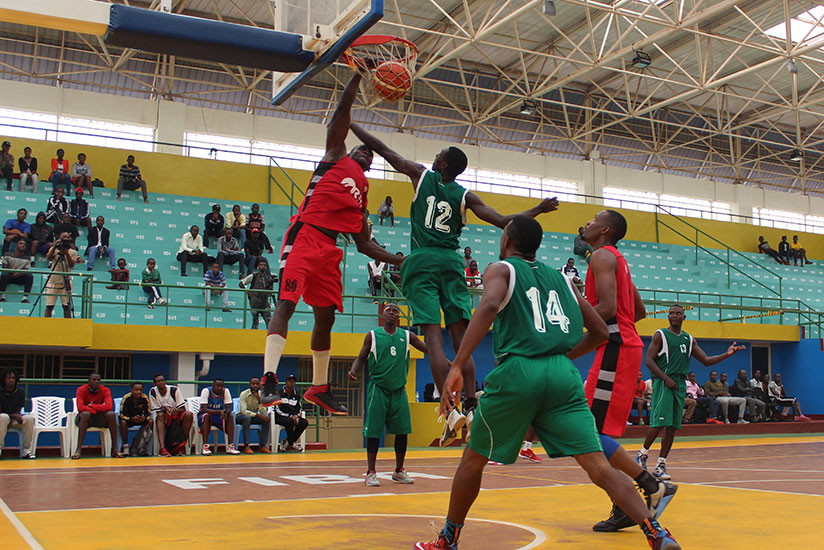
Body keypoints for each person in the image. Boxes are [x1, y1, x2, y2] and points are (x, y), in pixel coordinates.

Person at [416, 216, 680, 550]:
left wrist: (456, 366)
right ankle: (656, 532)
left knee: (473, 459)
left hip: (518, 371)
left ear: (507, 240)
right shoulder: (563, 279)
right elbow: (600, 331)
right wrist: (563, 358)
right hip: (561, 375)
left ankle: (447, 539)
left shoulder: (502, 269)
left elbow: (489, 304)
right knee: (598, 464)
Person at [351, 122, 558, 445]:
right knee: (462, 338)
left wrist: (351, 123)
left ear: (443, 164)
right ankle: (473, 405)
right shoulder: (465, 195)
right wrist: (539, 209)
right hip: (452, 262)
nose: (434, 157)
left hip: (422, 260)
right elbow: (506, 221)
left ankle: (449, 411)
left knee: (433, 337)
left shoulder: (421, 175)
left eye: (439, 155)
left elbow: (384, 149)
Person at [260, 73, 402, 415]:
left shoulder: (363, 194)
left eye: (370, 153)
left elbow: (364, 245)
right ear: (349, 148)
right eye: (361, 148)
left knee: (326, 318)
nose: (366, 152)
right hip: (306, 235)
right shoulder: (335, 157)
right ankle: (267, 380)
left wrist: (399, 260)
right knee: (287, 303)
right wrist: (356, 76)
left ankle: (319, 388)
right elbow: (341, 115)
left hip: (330, 251)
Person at [580, 209, 677, 532]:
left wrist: (570, 326)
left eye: (593, 220)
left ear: (605, 229)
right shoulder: (617, 259)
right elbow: (638, 310)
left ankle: (649, 485)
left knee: (591, 434)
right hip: (618, 347)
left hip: (616, 349)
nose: (587, 224)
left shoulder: (601, 257)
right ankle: (634, 497)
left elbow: (607, 309)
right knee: (593, 432)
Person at [636, 305, 744, 480]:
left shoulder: (689, 339)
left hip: (679, 384)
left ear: (684, 317)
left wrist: (727, 354)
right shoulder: (660, 335)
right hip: (664, 382)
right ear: (668, 316)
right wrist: (665, 378)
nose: (674, 315)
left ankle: (660, 464)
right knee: (659, 424)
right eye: (671, 313)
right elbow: (648, 361)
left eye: (678, 313)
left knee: (672, 427)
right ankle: (642, 454)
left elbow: (706, 361)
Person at [349, 303, 428, 486]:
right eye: (388, 311)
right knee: (374, 431)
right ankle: (370, 472)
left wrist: (448, 362)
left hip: (399, 390)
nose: (392, 313)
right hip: (378, 389)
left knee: (402, 431)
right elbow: (361, 357)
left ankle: (399, 470)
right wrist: (354, 370)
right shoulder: (373, 335)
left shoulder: (407, 336)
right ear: (382, 316)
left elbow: (428, 349)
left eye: (395, 311)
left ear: (399, 317)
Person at [73, 373, 121, 459]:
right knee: (85, 414)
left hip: (99, 418)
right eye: (94, 380)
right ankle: (78, 450)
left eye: (98, 380)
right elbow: (80, 408)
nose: (96, 382)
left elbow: (109, 406)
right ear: (89, 381)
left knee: (111, 414)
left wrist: (91, 406)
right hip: (85, 419)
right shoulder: (81, 389)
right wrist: (96, 410)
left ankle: (115, 449)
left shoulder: (105, 390)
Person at [148, 373, 193, 457]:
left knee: (189, 415)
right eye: (158, 381)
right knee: (160, 415)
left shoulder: (174, 390)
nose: (161, 383)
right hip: (164, 415)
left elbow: (183, 408)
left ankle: (181, 445)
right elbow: (155, 409)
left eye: (162, 380)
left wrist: (175, 410)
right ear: (155, 384)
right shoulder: (153, 391)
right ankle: (162, 448)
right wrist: (166, 409)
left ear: (165, 381)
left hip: (176, 414)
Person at [197, 378, 241, 455]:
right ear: (213, 386)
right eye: (217, 386)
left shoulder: (225, 391)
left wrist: (225, 413)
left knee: (230, 416)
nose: (220, 388)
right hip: (205, 415)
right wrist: (219, 411)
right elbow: (204, 409)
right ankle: (205, 447)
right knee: (206, 416)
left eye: (221, 386)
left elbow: (228, 408)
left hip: (218, 416)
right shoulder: (206, 391)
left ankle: (230, 446)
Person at [0, 369, 36, 459]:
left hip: (14, 420)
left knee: (28, 419)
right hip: (2, 420)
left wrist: (15, 416)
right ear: (4, 379)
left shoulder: (20, 392)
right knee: (3, 417)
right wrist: (12, 416)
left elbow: (18, 410)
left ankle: (26, 450)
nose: (11, 380)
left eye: (13, 378)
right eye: (8, 378)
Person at [44, 232, 79, 319]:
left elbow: (71, 265)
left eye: (67, 237)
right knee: (49, 305)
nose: (66, 239)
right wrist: (55, 246)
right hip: (53, 280)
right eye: (64, 237)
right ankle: (46, 323)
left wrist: (66, 253)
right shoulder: (54, 249)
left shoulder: (73, 252)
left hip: (66, 281)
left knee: (66, 306)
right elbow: (49, 257)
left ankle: (67, 324)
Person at [273, 374, 308, 452]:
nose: (291, 383)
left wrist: (295, 416)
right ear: (286, 382)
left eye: (293, 382)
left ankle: (287, 441)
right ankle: (292, 443)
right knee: (289, 421)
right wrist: (289, 416)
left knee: (304, 422)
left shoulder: (297, 395)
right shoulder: (279, 393)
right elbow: (277, 409)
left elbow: (299, 408)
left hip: (293, 416)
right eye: (289, 381)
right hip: (280, 417)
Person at [237, 377, 272, 454]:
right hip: (242, 417)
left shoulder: (261, 395)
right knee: (247, 417)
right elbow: (243, 411)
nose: (255, 386)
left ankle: (263, 445)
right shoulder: (244, 394)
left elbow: (264, 413)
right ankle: (246, 446)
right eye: (253, 384)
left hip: (253, 417)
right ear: (249, 385)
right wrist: (258, 415)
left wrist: (259, 400)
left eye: (257, 384)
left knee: (266, 419)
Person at [118, 382, 153, 456]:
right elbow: (122, 414)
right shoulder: (126, 398)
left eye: (140, 390)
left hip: (139, 420)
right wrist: (131, 418)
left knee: (150, 421)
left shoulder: (144, 398)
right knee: (123, 423)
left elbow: (148, 413)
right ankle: (126, 447)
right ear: (131, 390)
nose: (138, 392)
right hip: (129, 420)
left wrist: (144, 418)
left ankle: (142, 446)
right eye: (136, 390)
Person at [239, 260, 275, 329]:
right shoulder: (253, 276)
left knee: (268, 320)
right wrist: (247, 292)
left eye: (264, 265)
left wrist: (271, 285)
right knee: (255, 322)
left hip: (265, 302)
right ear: (258, 267)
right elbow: (241, 284)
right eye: (261, 265)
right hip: (254, 302)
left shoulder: (268, 278)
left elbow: (270, 292)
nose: (263, 266)